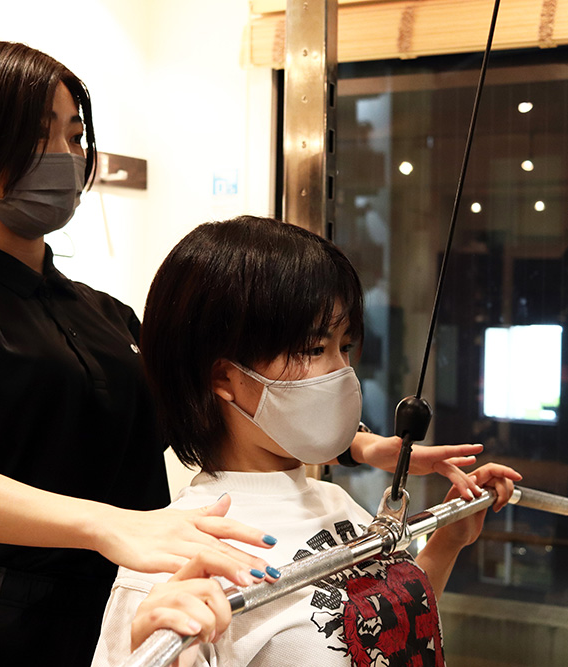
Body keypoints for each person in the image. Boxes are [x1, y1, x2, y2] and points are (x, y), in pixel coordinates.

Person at [0, 39, 279, 667]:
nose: (66, 157)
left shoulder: (106, 314)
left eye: (74, 135)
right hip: (4, 629)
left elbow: (210, 406)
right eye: (40, 136)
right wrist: (104, 525)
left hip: (137, 606)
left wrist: (352, 442)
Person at [91, 217, 522, 666]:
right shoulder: (172, 561)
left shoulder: (334, 501)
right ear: (225, 378)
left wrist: (448, 540)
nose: (341, 371)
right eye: (314, 350)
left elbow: (393, 633)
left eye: (345, 347)